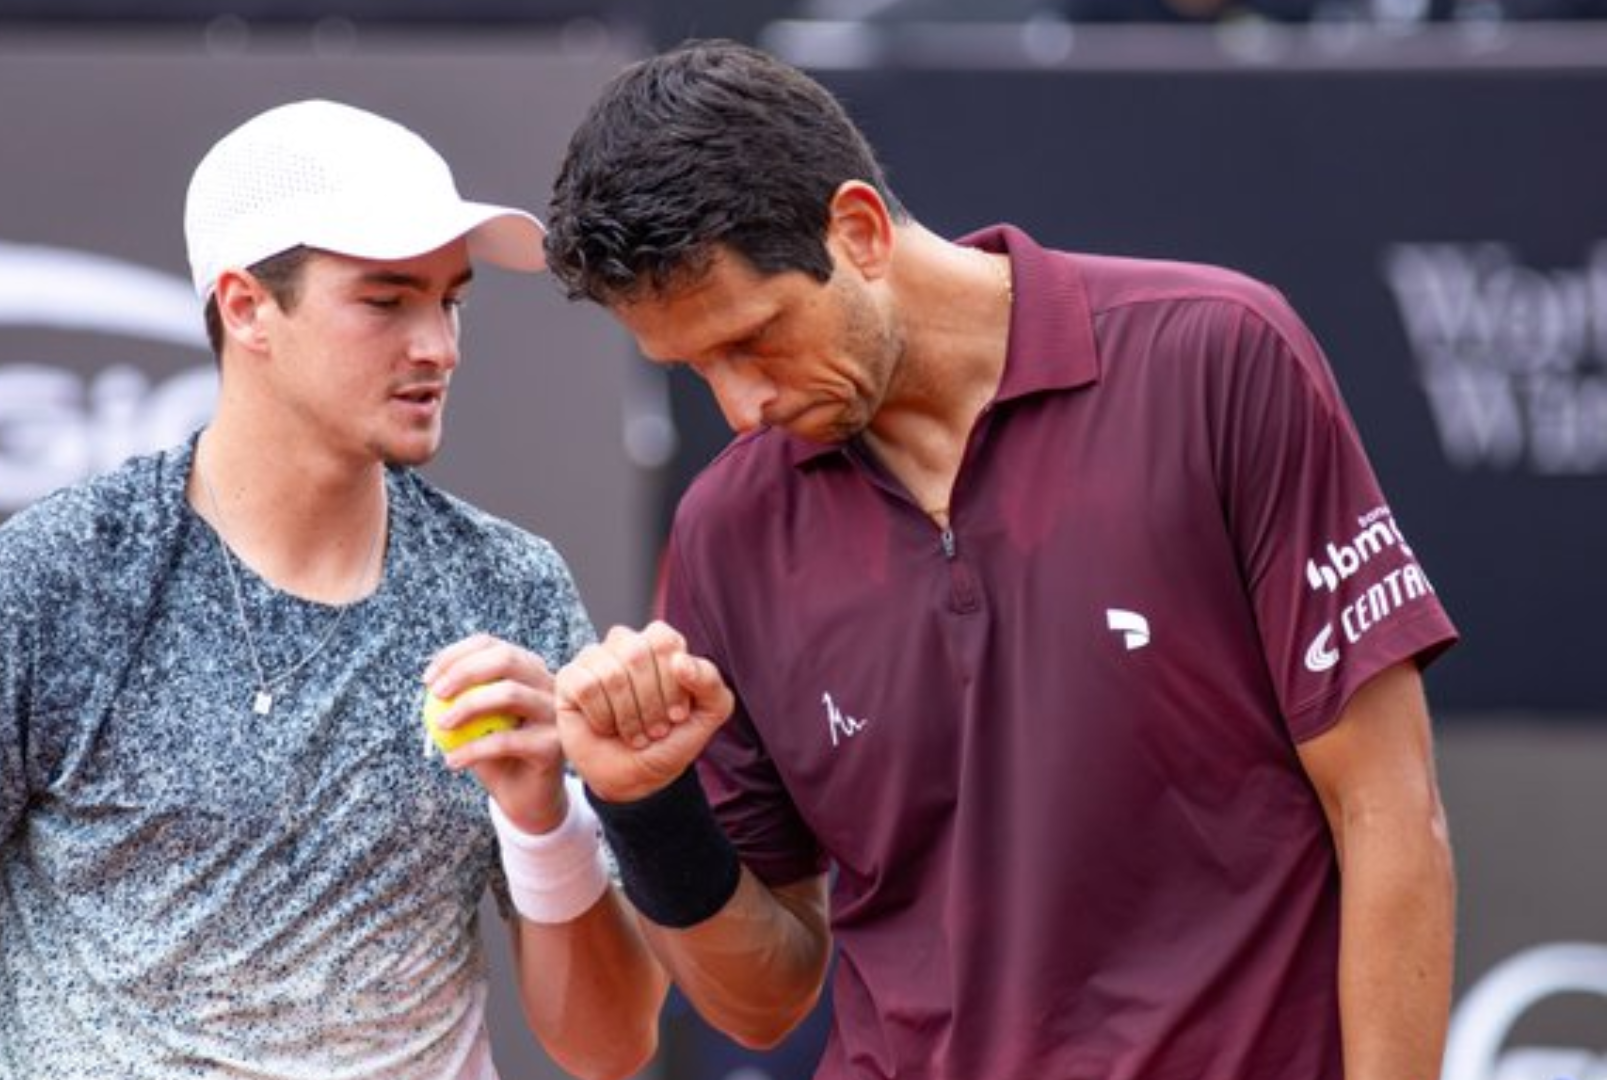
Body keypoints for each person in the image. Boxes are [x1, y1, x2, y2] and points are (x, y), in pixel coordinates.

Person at [543, 38, 1458, 1080]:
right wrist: (649, 808)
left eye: (753, 339)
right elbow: (764, 1003)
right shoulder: (727, 528)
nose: (740, 405)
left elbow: (1389, 811)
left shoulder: (1218, 357)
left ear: (859, 229)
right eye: (692, 366)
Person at [0, 99, 662, 1080]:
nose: (439, 347)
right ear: (245, 308)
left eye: (450, 301)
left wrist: (543, 818)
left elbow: (613, 1047)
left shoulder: (511, 586)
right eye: (386, 301)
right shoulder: (58, 579)